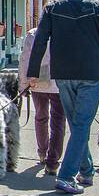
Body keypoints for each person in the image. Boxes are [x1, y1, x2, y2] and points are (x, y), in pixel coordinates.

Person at [26, 0, 99, 195]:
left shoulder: (53, 8)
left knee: (77, 124)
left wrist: (32, 73)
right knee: (81, 125)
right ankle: (66, 176)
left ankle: (86, 170)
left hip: (63, 73)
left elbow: (40, 41)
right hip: (92, 74)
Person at [18, 21, 64, 176]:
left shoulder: (33, 34)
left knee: (41, 117)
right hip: (59, 83)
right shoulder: (65, 32)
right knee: (58, 121)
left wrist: (23, 85)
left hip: (37, 82)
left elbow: (24, 61)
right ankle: (53, 161)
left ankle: (42, 152)